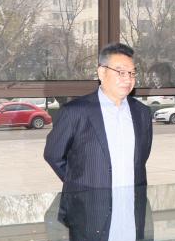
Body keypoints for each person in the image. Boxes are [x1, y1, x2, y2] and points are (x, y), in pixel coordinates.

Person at [44, 43, 153, 200]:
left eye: (132, 73)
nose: (128, 79)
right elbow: (53, 155)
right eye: (121, 72)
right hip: (88, 207)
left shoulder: (142, 113)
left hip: (132, 204)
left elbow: (141, 158)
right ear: (102, 72)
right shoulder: (74, 112)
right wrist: (80, 184)